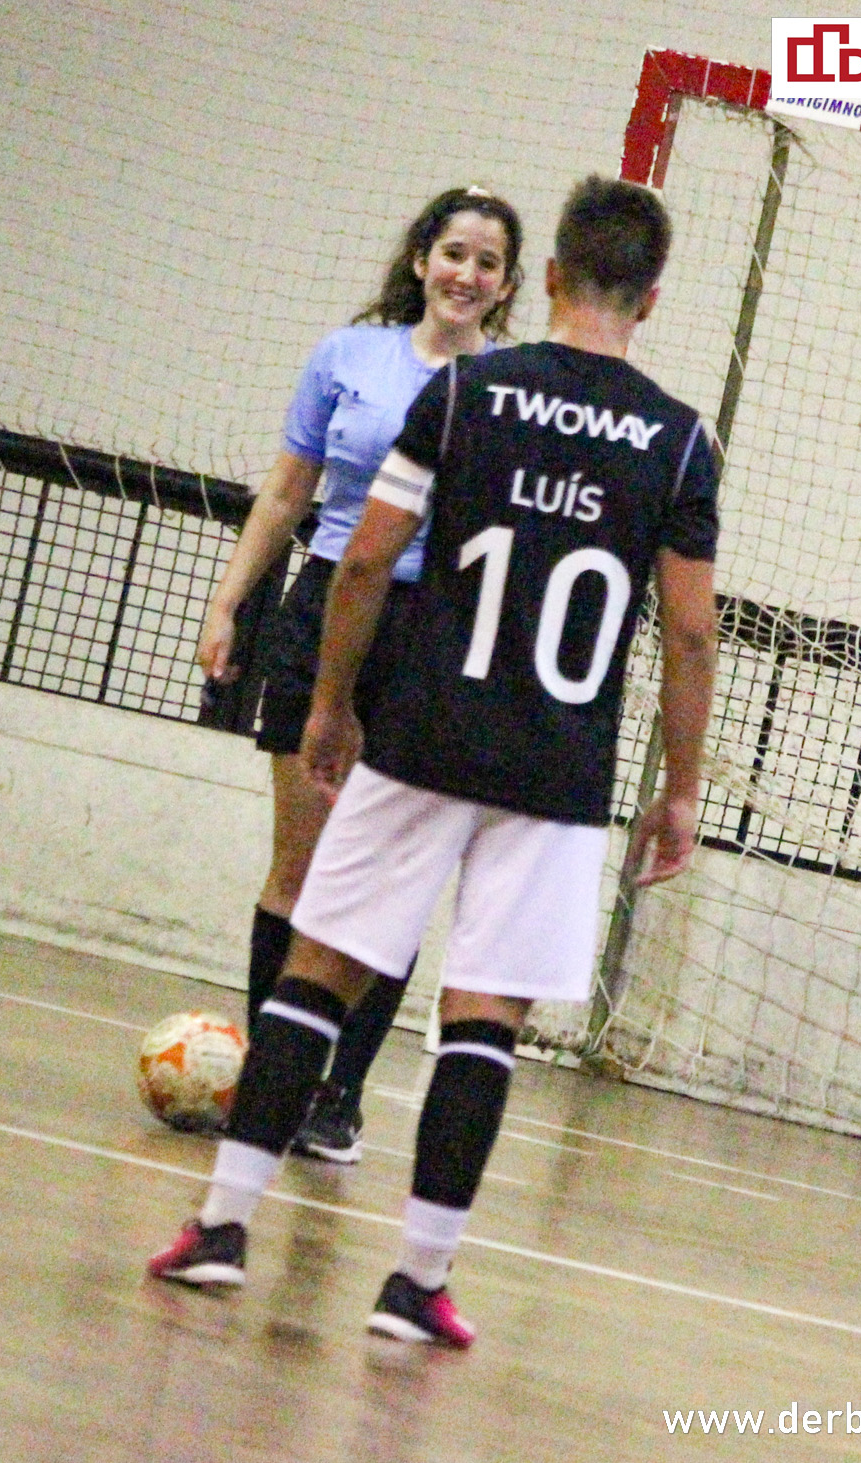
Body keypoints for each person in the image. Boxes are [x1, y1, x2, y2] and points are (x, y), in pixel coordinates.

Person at [150, 175, 720, 1348]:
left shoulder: (464, 390)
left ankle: (220, 1228)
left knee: (320, 968)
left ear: (547, 276)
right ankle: (416, 1283)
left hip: (423, 728)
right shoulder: (678, 443)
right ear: (651, 299)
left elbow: (363, 562)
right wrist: (680, 787)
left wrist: (327, 705)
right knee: (481, 1017)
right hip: (556, 765)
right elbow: (691, 630)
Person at [196, 186, 524, 1162]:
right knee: (300, 864)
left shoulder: (506, 388)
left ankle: (335, 1098)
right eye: (453, 253)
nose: (466, 274)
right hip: (327, 610)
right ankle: (270, 1080)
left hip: (431, 630)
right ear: (423, 258)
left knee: (384, 877)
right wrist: (228, 600)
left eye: (487, 263)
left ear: (505, 286)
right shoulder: (347, 358)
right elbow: (290, 487)